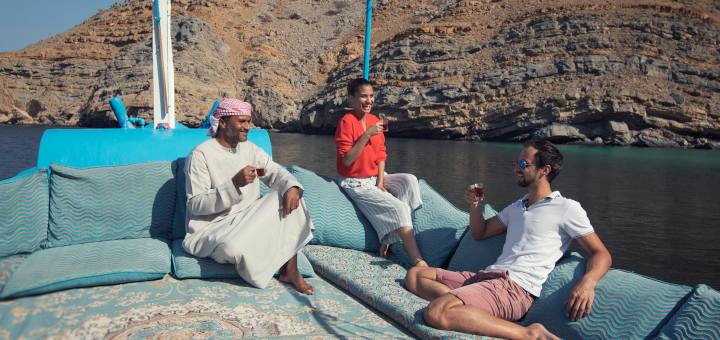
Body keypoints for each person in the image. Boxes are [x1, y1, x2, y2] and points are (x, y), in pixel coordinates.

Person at [404, 140, 612, 340]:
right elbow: (480, 232)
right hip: (487, 277)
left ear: (544, 170)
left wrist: (588, 282)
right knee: (415, 275)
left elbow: (600, 253)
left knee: (437, 312)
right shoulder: (518, 206)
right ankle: (466, 304)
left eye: (523, 164)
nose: (516, 168)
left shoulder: (567, 208)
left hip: (514, 288)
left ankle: (530, 334)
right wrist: (475, 205)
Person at [182, 98, 314, 294]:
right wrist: (233, 185)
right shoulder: (200, 155)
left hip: (247, 219)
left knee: (288, 192)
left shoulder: (251, 151)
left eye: (248, 121)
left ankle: (291, 269)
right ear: (223, 123)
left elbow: (275, 172)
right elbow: (195, 204)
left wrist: (292, 186)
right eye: (241, 121)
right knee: (231, 248)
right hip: (212, 227)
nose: (247, 127)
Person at [335, 77, 428, 267]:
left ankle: (392, 236)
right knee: (400, 207)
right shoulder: (346, 122)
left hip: (375, 178)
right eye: (363, 96)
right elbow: (347, 159)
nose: (369, 101)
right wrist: (367, 134)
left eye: (371, 96)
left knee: (410, 180)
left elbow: (381, 154)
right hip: (356, 182)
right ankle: (419, 261)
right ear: (351, 98)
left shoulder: (375, 120)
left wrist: (380, 182)